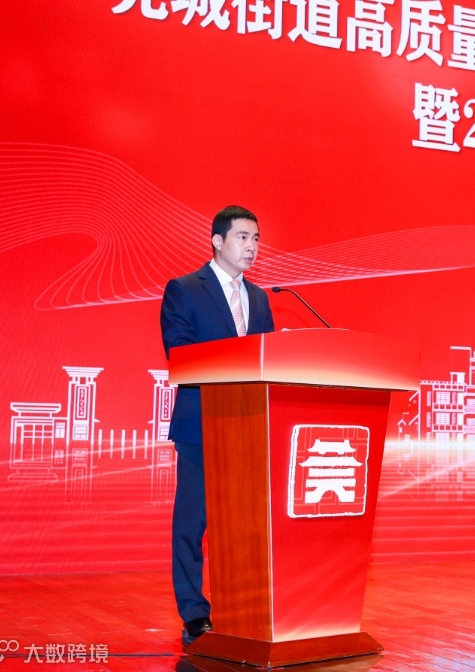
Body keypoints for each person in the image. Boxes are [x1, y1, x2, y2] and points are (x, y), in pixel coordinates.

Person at [160, 205, 275, 647]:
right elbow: (180, 353)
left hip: (248, 427)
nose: (251, 246)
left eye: (256, 239)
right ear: (217, 240)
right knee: (193, 525)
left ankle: (241, 606)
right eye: (243, 237)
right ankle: (193, 613)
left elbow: (268, 360)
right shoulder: (185, 290)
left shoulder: (260, 299)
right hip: (201, 426)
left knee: (244, 525)